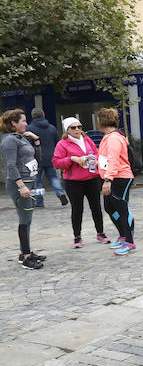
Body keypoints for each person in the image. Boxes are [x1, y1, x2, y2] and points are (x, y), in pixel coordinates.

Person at [51, 117, 110, 248]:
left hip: (92, 179)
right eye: (73, 127)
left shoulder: (87, 139)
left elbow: (97, 154)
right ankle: (77, 237)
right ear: (67, 130)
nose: (77, 129)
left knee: (96, 207)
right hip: (73, 182)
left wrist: (94, 159)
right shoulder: (62, 144)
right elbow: (56, 163)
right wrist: (73, 159)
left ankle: (100, 233)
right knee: (77, 209)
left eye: (79, 126)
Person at [1, 109, 45, 270]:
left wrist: (37, 140)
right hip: (20, 184)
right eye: (23, 121)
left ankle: (24, 252)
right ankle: (26, 258)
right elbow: (11, 165)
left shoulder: (22, 138)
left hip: (29, 181)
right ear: (13, 123)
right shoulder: (9, 141)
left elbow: (37, 159)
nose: (26, 123)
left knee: (28, 219)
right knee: (24, 219)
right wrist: (21, 185)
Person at [96, 108, 136, 256]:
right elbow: (108, 159)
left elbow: (113, 159)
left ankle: (130, 242)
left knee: (121, 209)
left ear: (101, 123)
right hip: (114, 177)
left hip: (120, 178)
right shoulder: (110, 137)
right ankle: (124, 235)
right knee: (109, 207)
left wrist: (108, 179)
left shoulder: (113, 138)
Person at [26, 108, 67, 207]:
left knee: (37, 181)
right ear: (43, 115)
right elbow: (57, 142)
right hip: (50, 158)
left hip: (35, 159)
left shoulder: (30, 128)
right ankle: (60, 193)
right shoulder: (52, 128)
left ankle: (39, 202)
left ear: (32, 116)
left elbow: (28, 144)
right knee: (53, 178)